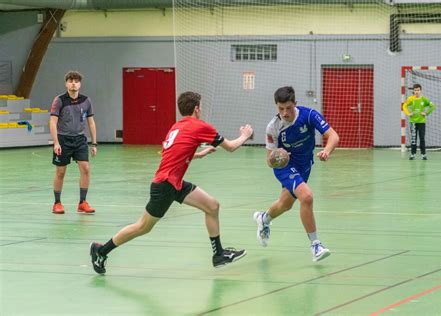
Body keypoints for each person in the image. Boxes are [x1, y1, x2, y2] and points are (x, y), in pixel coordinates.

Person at [90, 91, 253, 274]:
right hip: (165, 186)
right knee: (143, 227)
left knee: (212, 206)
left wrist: (200, 153)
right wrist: (245, 135)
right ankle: (101, 251)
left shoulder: (176, 127)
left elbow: (173, 153)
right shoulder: (199, 126)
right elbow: (230, 147)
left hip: (174, 183)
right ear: (197, 109)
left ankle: (219, 254)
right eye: (200, 107)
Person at [253, 86, 339, 262]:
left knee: (285, 204)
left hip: (305, 165)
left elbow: (333, 136)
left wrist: (327, 151)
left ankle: (264, 218)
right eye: (280, 109)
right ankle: (316, 245)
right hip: (285, 166)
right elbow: (269, 161)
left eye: (288, 108)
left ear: (295, 104)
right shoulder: (273, 127)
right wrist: (279, 157)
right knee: (306, 197)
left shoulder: (309, 115)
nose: (285, 113)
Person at [49, 71, 97, 214]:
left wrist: (94, 143)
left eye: (76, 81)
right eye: (70, 81)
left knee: (86, 169)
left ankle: (82, 202)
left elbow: (91, 123)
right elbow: (52, 121)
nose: (73, 83)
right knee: (60, 172)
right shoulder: (59, 100)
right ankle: (57, 203)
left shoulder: (86, 101)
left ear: (80, 84)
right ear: (66, 84)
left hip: (80, 139)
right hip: (63, 140)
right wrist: (56, 142)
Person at [402, 83, 436, 160]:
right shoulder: (410, 99)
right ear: (413, 91)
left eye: (418, 90)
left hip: (421, 122)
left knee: (422, 138)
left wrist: (426, 113)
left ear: (421, 90)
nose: (416, 92)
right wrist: (408, 113)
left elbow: (432, 106)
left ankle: (423, 154)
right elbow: (404, 106)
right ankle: (412, 154)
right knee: (414, 138)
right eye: (415, 90)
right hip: (413, 122)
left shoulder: (424, 99)